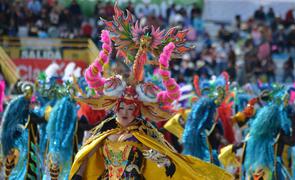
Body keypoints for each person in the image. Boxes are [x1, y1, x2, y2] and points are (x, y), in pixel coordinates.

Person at [69, 4, 233, 180]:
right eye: (122, 108)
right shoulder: (104, 130)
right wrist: (78, 174)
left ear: (137, 110)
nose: (125, 113)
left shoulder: (144, 132)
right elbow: (85, 153)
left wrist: (168, 163)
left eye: (130, 109)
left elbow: (159, 152)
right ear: (115, 107)